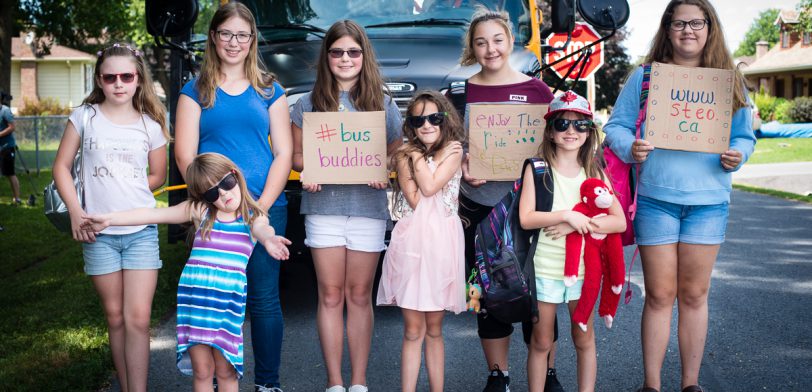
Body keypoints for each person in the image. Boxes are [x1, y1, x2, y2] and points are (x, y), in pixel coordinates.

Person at [603, 1, 756, 391]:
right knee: (659, 294)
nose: (688, 30)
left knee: (693, 294)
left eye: (696, 22)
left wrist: (738, 154)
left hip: (708, 202)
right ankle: (651, 385)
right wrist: (630, 146)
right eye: (679, 22)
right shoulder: (647, 77)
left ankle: (690, 384)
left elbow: (743, 135)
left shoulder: (726, 80)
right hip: (656, 198)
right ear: (667, 28)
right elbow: (616, 127)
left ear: (710, 28)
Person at [82, 153, 292, 392]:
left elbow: (263, 229)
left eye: (226, 184)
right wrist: (108, 220)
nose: (223, 194)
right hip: (195, 305)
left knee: (226, 370)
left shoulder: (253, 216)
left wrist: (269, 240)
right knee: (202, 370)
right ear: (205, 198)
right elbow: (152, 214)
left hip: (226, 307)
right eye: (212, 193)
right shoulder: (201, 211)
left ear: (235, 175)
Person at [174, 3, 293, 391]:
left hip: (264, 206)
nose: (234, 42)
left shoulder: (269, 90)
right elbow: (185, 156)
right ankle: (212, 378)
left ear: (252, 39)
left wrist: (259, 205)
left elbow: (284, 153)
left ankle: (268, 383)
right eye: (226, 33)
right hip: (216, 211)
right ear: (213, 37)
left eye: (242, 35)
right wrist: (210, 201)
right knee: (215, 299)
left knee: (263, 299)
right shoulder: (195, 91)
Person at [448, 8, 563, 392]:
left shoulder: (537, 91)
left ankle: (546, 372)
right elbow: (447, 146)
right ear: (472, 48)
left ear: (510, 42)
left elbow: (560, 146)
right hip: (478, 205)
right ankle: (498, 374)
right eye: (481, 42)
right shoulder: (459, 93)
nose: (490, 48)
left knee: (538, 290)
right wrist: (462, 163)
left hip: (529, 207)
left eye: (497, 40)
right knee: (484, 289)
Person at [290, 19, 403, 392]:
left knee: (358, 295)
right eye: (337, 51)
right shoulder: (307, 103)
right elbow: (296, 156)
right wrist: (310, 169)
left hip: (368, 207)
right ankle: (335, 382)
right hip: (323, 207)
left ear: (363, 56)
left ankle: (359, 382)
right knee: (330, 294)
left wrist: (382, 168)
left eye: (353, 52)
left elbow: (396, 152)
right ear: (327, 56)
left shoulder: (382, 103)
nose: (345, 58)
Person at [52, 43, 169, 392]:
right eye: (110, 77)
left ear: (138, 80)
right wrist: (76, 212)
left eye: (126, 76)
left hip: (140, 232)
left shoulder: (150, 125)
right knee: (115, 317)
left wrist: (126, 189)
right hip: (96, 233)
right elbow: (60, 167)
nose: (119, 83)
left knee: (138, 318)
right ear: (100, 81)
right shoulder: (84, 117)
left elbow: (158, 176)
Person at [518, 91, 626, 392]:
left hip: (583, 272)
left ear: (589, 132)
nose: (571, 131)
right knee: (541, 340)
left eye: (580, 126)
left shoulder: (594, 172)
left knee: (584, 337)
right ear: (551, 131)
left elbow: (619, 221)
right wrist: (566, 216)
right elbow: (527, 218)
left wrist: (577, 226)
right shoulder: (537, 169)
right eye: (563, 124)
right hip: (545, 269)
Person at [376, 91, 466, 392]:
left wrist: (415, 156)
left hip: (442, 242)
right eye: (418, 120)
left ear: (445, 119)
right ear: (411, 125)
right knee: (413, 330)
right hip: (412, 242)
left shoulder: (454, 150)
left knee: (435, 329)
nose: (426, 125)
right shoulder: (404, 156)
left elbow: (428, 187)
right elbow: (414, 199)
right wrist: (412, 157)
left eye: (433, 118)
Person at [0, 91, 20, 205]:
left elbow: (12, 127)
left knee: (10, 173)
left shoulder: (5, 111)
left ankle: (16, 198)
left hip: (7, 147)